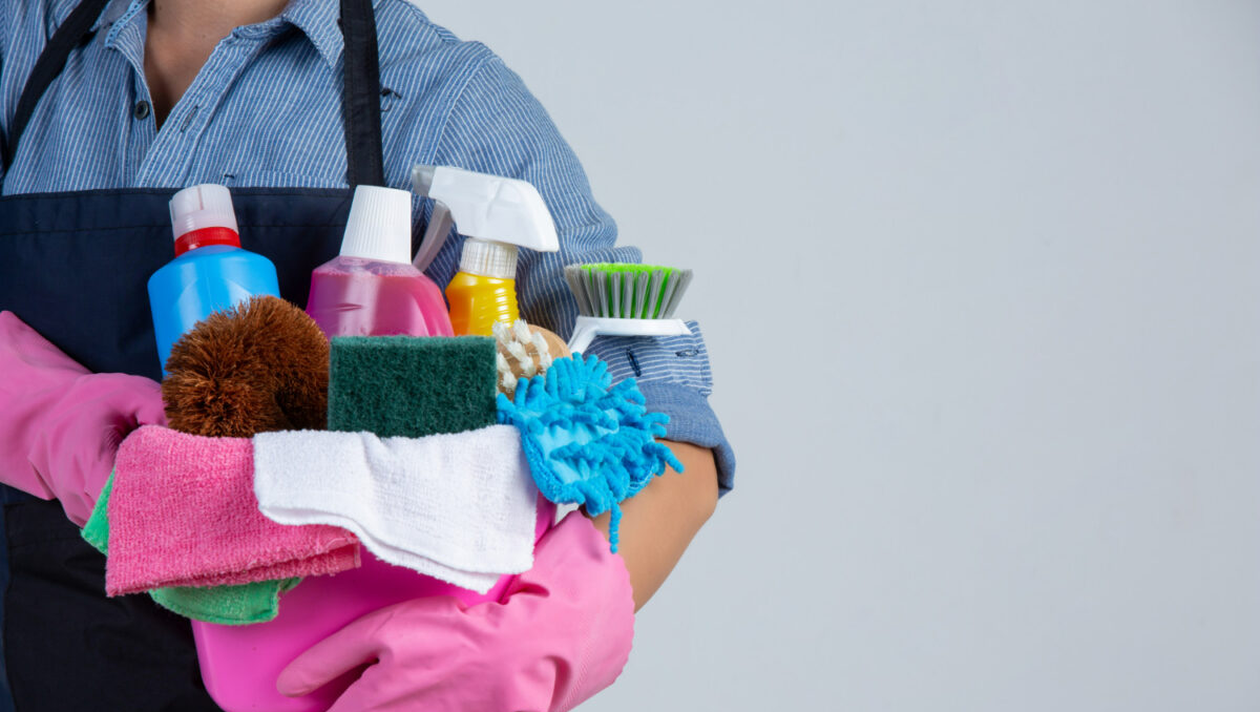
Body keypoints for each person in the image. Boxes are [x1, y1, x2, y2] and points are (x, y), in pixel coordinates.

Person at [0, 0, 736, 709]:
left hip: (315, 682)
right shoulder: (23, 39)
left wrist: (548, 632)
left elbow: (672, 434)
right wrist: (51, 416)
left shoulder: (445, 101)